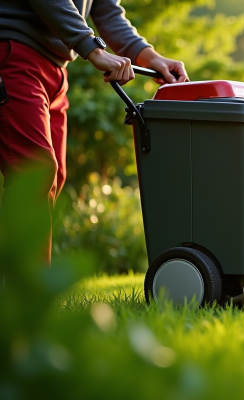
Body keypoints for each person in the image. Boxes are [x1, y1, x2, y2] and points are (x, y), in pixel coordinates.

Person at [0, 0, 189, 264]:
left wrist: (152, 58)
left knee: (52, 179)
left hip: (55, 69)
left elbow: (108, 12)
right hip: (14, 53)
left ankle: (29, 287)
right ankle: (26, 297)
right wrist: (92, 49)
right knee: (34, 174)